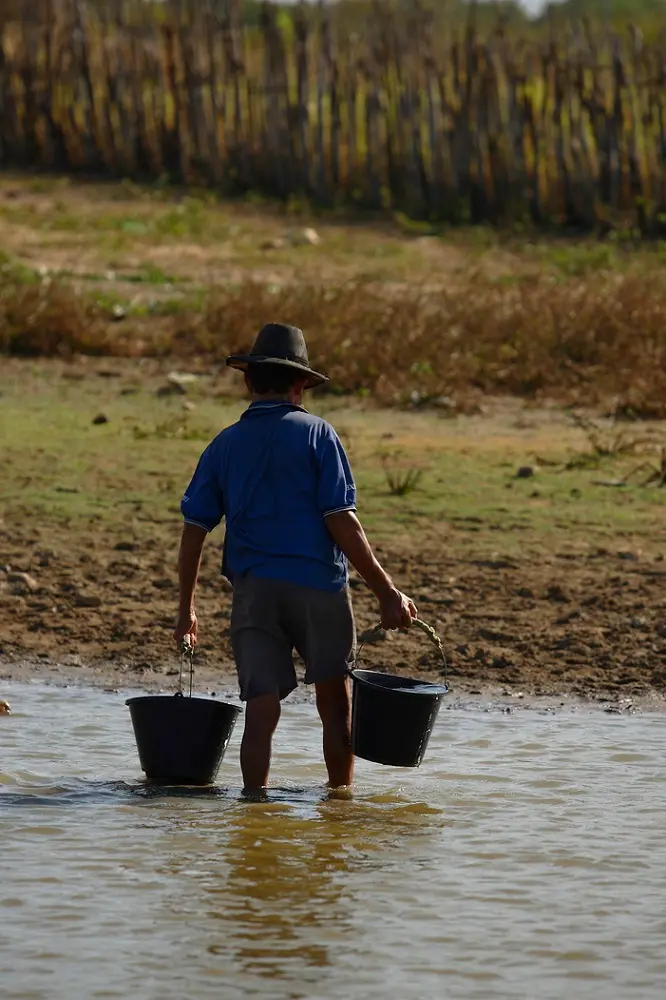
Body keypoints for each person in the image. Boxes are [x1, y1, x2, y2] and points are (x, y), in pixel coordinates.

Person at [173, 323, 417, 792]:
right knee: (334, 702)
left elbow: (194, 531)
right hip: (318, 588)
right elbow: (341, 521)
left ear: (249, 381)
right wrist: (387, 592)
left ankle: (254, 805)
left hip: (254, 592)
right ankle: (339, 802)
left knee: (260, 707)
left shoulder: (224, 444)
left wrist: (186, 610)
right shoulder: (319, 435)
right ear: (301, 384)